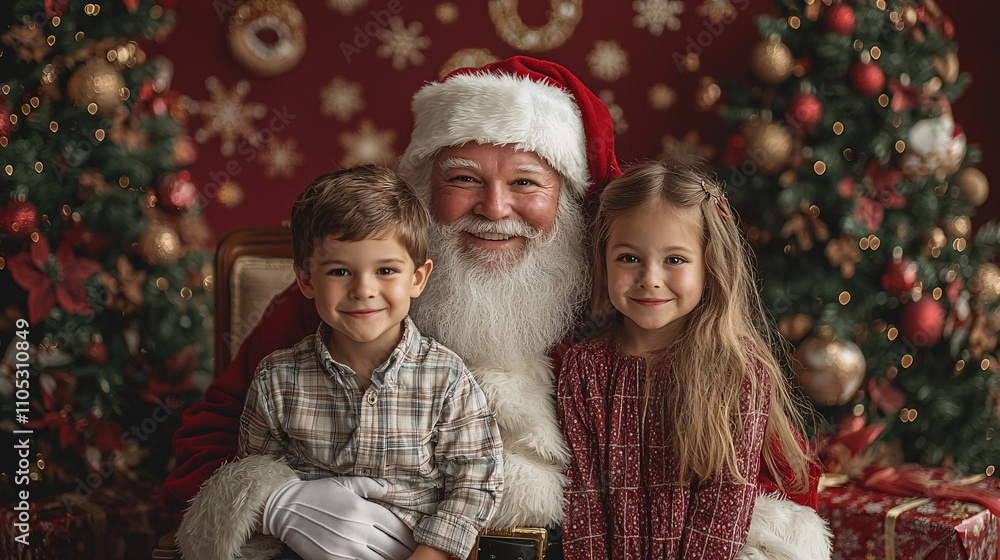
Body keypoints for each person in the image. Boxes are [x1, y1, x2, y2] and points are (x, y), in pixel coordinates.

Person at [167, 56, 827, 560]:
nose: (494, 208)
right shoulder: (356, 289)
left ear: (568, 198)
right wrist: (276, 500)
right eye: (463, 179)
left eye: (526, 183)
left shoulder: (632, 304)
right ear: (424, 189)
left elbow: (773, 475)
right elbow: (211, 432)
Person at [177, 165, 504, 560]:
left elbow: (476, 479)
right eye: (340, 271)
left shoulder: (447, 378)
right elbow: (258, 470)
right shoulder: (276, 379)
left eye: (386, 270)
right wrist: (278, 509)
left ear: (418, 278)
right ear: (306, 280)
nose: (363, 289)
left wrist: (431, 553)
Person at [557, 161, 831, 560]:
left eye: (674, 260)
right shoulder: (584, 368)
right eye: (629, 258)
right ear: (603, 258)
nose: (650, 278)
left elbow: (723, 508)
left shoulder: (737, 371)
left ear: (709, 265)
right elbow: (583, 501)